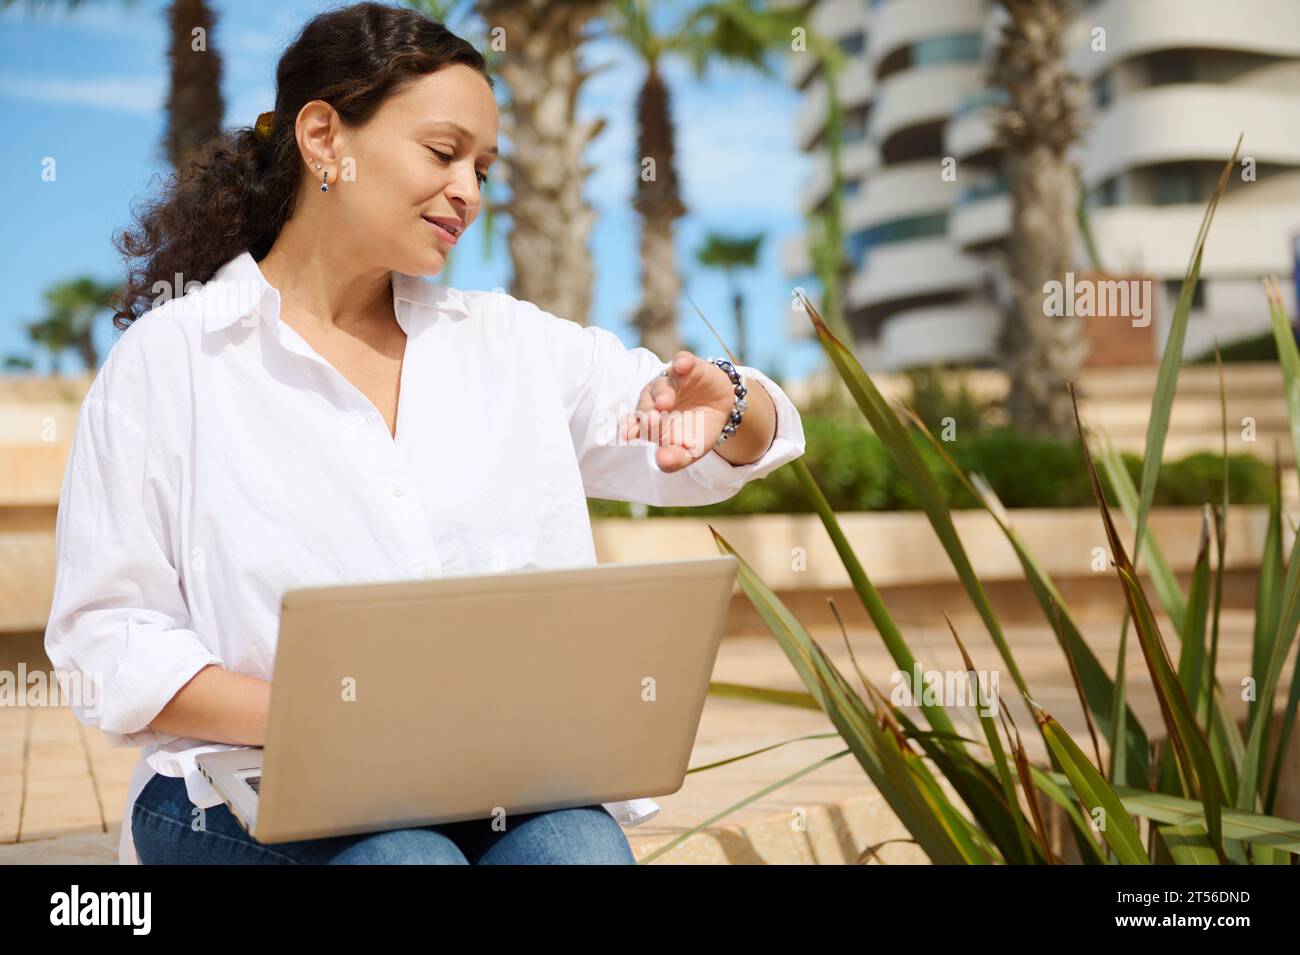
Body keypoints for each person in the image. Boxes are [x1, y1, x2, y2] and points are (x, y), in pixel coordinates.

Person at [43, 2, 806, 865]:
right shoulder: (173, 361)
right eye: (444, 155)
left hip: (495, 782)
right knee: (406, 860)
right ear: (325, 137)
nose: (470, 194)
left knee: (578, 851)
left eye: (483, 168)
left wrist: (732, 406)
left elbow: (728, 444)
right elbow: (107, 636)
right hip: (242, 784)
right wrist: (336, 718)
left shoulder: (509, 344)